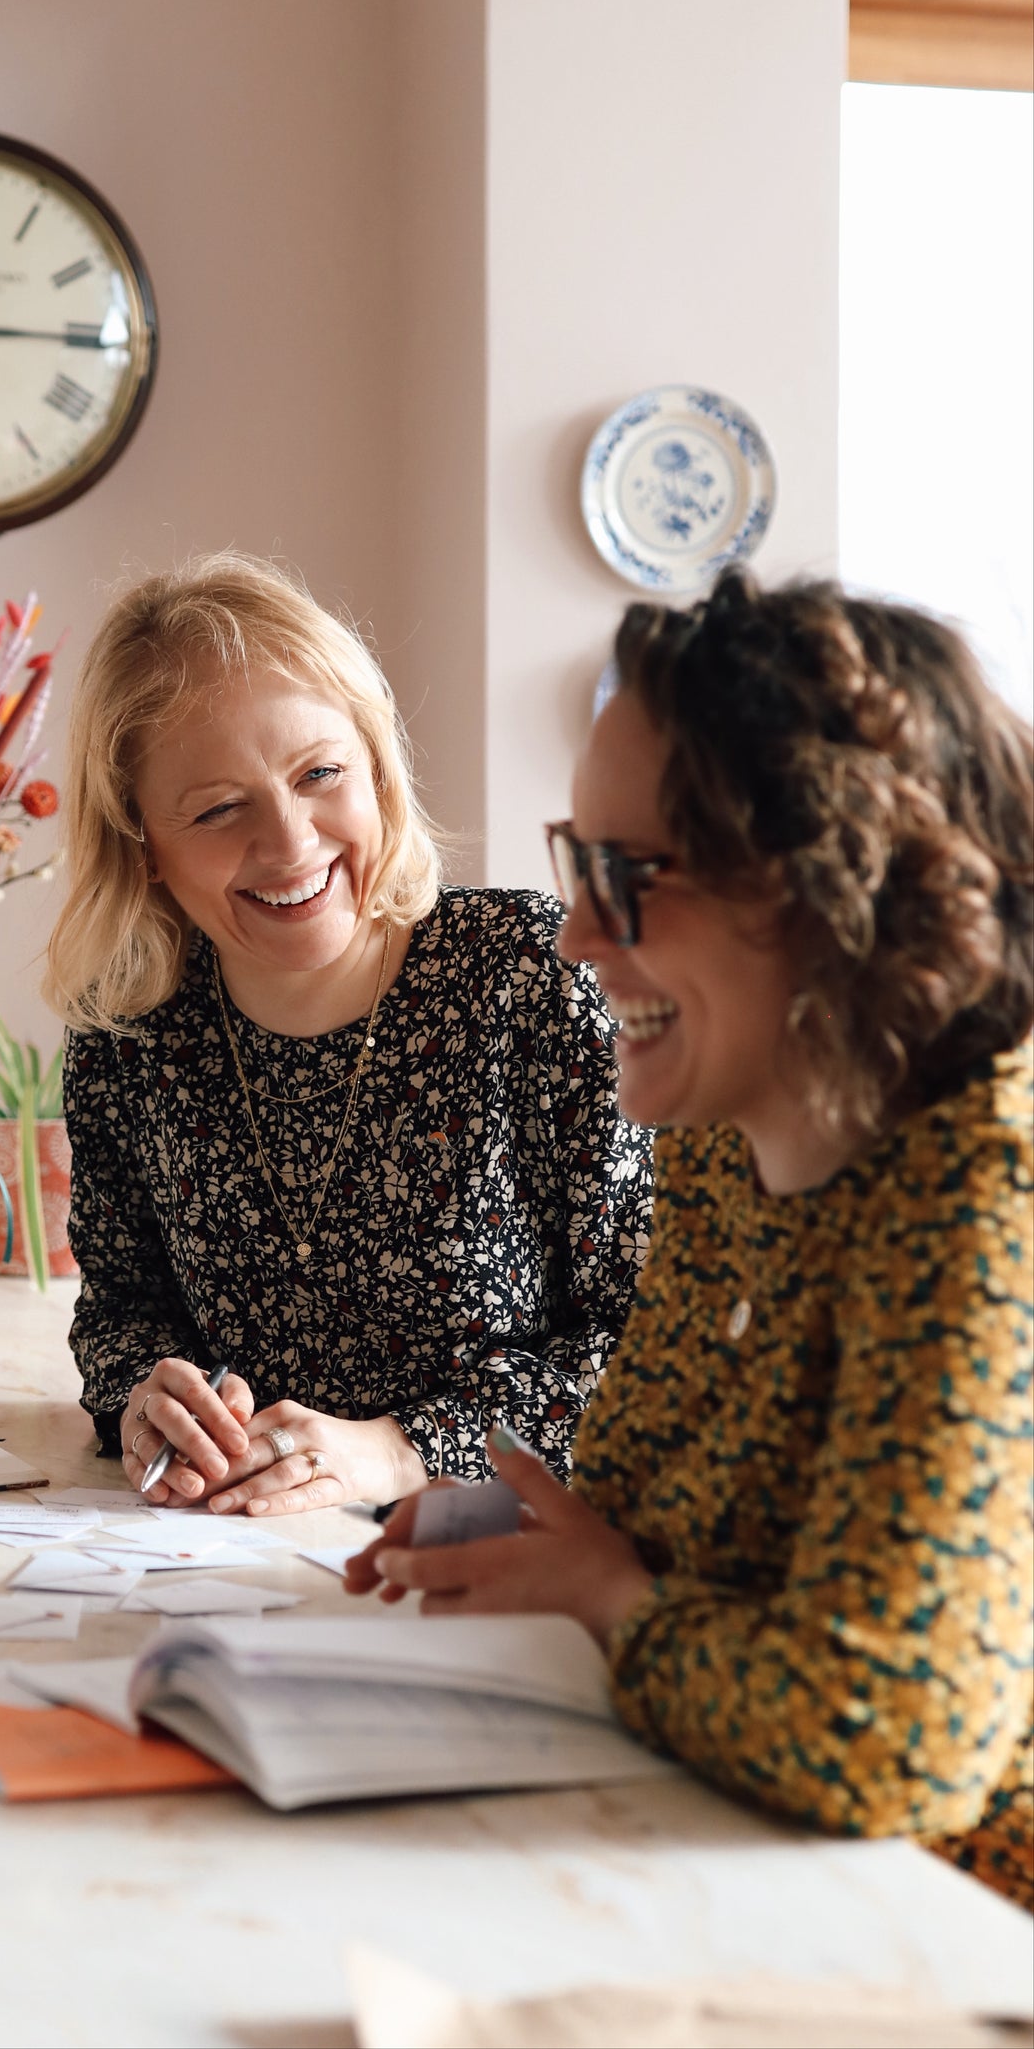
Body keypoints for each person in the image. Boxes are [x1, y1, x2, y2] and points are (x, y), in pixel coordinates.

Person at [347, 570, 1033, 1912]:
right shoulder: (726, 1129)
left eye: (626, 876)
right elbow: (663, 1524)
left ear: (829, 885)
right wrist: (504, 1533)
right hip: (728, 1840)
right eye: (574, 863)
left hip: (946, 1928)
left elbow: (887, 1735)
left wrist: (610, 1602)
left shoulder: (984, 1193)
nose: (581, 935)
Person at [43, 554, 651, 1519]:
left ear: (376, 766)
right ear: (142, 846)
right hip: (232, 1560)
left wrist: (406, 1451)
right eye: (218, 808)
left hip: (506, 1550)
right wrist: (147, 1400)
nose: (290, 843)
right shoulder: (130, 1036)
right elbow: (119, 1311)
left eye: (320, 773)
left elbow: (658, 1346)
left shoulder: (533, 973)